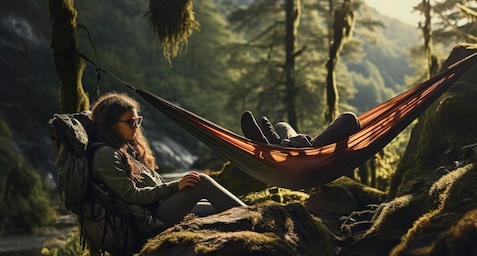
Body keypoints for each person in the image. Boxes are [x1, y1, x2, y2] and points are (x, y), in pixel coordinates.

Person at [90, 92, 247, 227]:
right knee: (203, 181)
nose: (136, 126)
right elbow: (132, 196)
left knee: (218, 208)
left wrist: (177, 187)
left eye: (138, 120)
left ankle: (251, 215)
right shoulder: (106, 155)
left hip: (161, 206)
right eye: (130, 122)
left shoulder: (127, 148)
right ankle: (255, 218)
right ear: (111, 125)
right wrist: (176, 186)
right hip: (150, 217)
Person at [241, 111, 361, 147]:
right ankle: (278, 144)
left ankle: (276, 145)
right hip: (305, 150)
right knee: (281, 126)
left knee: (349, 118)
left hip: (313, 152)